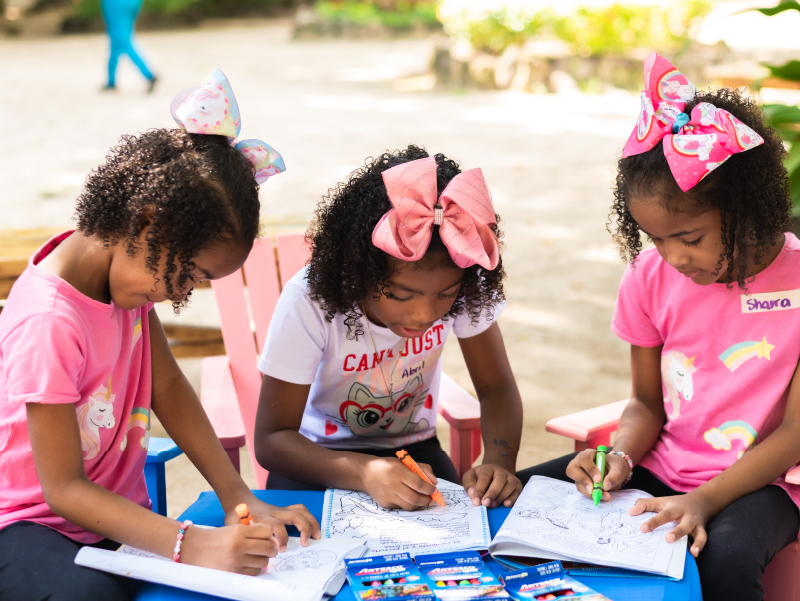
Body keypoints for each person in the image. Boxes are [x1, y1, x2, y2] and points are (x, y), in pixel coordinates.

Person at [0, 70, 316, 601]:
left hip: (114, 517)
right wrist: (191, 544)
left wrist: (238, 493)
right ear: (148, 223)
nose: (178, 295)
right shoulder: (48, 321)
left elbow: (167, 388)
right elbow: (62, 489)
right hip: (31, 525)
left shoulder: (123, 286)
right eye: (190, 274)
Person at [517, 52, 800, 601]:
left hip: (767, 484)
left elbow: (794, 435)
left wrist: (702, 501)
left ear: (746, 209)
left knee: (725, 562)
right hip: (664, 463)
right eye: (656, 239)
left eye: (689, 238)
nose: (671, 257)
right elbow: (647, 404)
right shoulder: (649, 277)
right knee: (518, 505)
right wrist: (619, 456)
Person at [254, 146, 524, 511]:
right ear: (359, 274)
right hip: (314, 458)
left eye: (446, 294)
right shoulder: (310, 299)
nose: (424, 314)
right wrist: (365, 472)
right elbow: (272, 440)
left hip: (414, 452)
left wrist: (498, 460)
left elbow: (497, 388)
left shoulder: (467, 279)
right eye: (401, 295)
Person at [101, 0, 157, 92]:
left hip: (116, 3)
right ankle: (111, 82)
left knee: (122, 41)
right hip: (133, 2)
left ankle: (150, 76)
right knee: (116, 41)